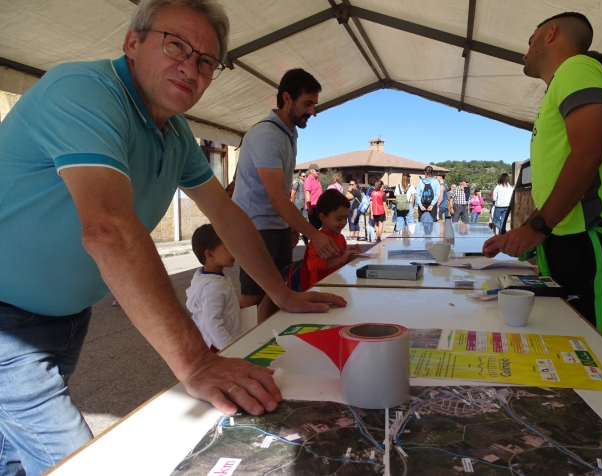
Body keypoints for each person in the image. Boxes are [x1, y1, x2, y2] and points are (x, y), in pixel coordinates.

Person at [0, 1, 347, 473]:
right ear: (132, 42)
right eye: (176, 45)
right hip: (7, 321)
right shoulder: (84, 91)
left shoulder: (175, 131)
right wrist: (196, 364)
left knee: (14, 455)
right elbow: (108, 230)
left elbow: (226, 214)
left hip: (63, 317)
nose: (191, 66)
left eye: (206, 61)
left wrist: (281, 292)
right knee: (82, 463)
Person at [483, 12, 602, 347]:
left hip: (594, 237)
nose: (525, 52)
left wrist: (537, 227)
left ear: (551, 33)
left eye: (530, 40)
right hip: (573, 236)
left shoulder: (577, 68)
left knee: (595, 353)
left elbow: (588, 152)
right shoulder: (577, 88)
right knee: (570, 348)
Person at [232, 69, 341, 321]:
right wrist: (313, 234)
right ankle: (233, 348)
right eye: (307, 103)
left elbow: (281, 191)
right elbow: (276, 197)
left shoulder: (288, 133)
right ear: (287, 98)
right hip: (255, 226)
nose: (312, 111)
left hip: (274, 225)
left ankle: (267, 344)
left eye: (314, 104)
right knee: (253, 295)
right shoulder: (267, 134)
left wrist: (287, 225)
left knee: (279, 291)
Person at [186, 224, 244, 353]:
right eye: (227, 248)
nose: (233, 251)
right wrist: (231, 350)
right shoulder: (213, 287)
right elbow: (212, 323)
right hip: (219, 346)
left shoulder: (208, 277)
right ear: (210, 254)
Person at [305, 190, 362, 288]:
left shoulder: (341, 237)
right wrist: (341, 259)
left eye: (345, 218)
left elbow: (340, 262)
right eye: (339, 219)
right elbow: (312, 265)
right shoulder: (319, 240)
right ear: (323, 217)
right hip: (321, 290)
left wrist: (349, 256)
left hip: (337, 285)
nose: (344, 222)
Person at [304, 163, 324, 231]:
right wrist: (309, 207)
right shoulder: (308, 180)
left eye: (318, 170)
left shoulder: (317, 180)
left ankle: (307, 236)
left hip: (318, 206)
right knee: (315, 225)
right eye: (316, 170)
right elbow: (307, 193)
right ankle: (308, 237)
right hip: (312, 206)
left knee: (321, 223)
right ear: (311, 170)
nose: (318, 172)